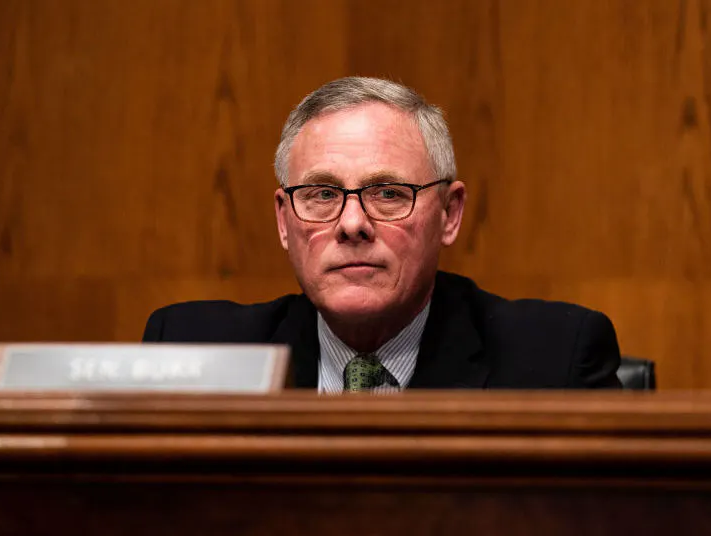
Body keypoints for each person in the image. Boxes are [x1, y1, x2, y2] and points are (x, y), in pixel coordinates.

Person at [143, 76, 622, 391]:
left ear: (450, 214)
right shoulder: (190, 354)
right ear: (284, 221)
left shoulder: (555, 361)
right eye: (322, 194)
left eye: (389, 193)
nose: (352, 223)